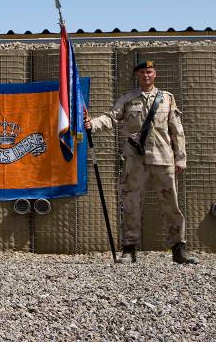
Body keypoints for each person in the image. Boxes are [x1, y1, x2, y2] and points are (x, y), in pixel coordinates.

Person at [84, 60, 198, 265]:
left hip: (163, 159)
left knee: (171, 204)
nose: (146, 75)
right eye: (142, 72)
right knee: (131, 203)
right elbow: (111, 118)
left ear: (155, 74)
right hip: (135, 160)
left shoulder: (167, 99)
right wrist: (92, 123)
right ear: (137, 75)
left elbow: (177, 130)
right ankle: (129, 250)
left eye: (150, 72)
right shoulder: (128, 100)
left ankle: (178, 249)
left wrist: (181, 157)